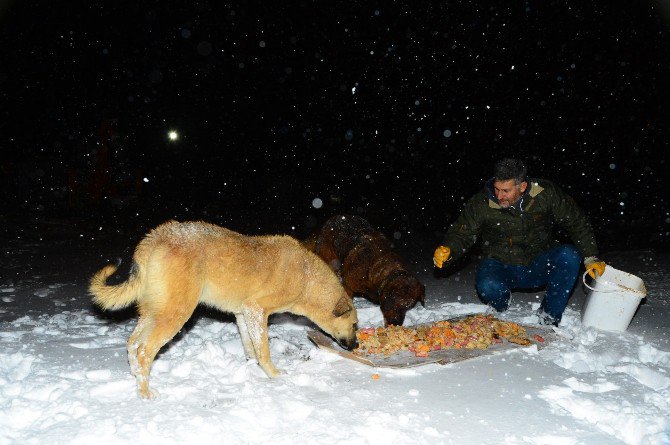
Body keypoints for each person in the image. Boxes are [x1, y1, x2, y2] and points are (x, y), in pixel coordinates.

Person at [433, 158, 605, 326]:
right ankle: (501, 303)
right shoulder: (482, 202)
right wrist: (449, 250)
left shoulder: (546, 193)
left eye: (506, 191)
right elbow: (462, 233)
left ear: (522, 186)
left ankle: (549, 316)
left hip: (538, 263)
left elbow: (575, 221)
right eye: (497, 189)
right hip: (500, 264)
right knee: (487, 285)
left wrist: (590, 255)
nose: (499, 196)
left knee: (569, 255)